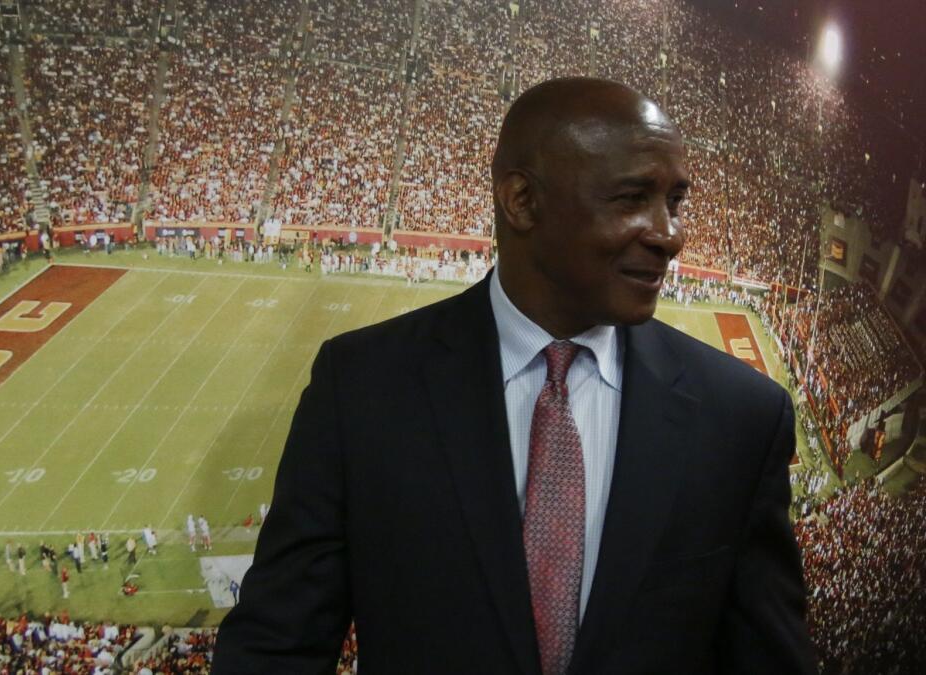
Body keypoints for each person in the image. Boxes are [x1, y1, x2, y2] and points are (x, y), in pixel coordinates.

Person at [213, 78, 814, 674]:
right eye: (633, 198)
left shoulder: (741, 417)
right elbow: (276, 648)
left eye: (675, 202)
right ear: (521, 201)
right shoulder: (362, 388)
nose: (669, 234)